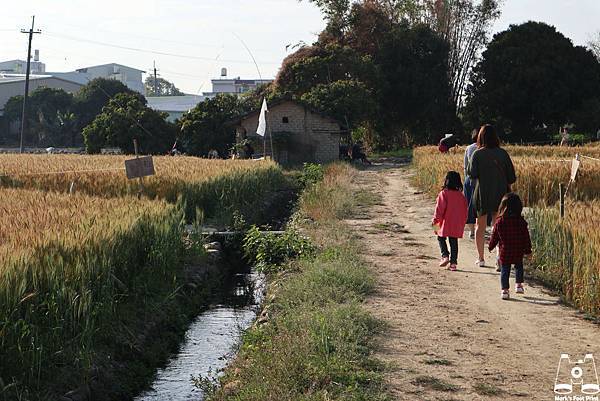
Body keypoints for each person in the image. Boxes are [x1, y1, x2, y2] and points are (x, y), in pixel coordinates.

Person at [467, 124, 516, 268]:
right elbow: (511, 177)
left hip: (482, 193)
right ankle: (499, 259)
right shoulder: (503, 154)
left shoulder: (477, 154)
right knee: (498, 226)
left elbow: (471, 174)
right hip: (500, 194)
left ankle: (481, 258)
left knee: (480, 226)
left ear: (480, 137)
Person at [488, 193, 532, 300]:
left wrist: (491, 246)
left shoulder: (500, 222)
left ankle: (505, 291)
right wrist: (528, 250)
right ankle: (519, 285)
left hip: (505, 250)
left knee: (505, 270)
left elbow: (495, 237)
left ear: (503, 207)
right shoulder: (521, 222)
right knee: (519, 267)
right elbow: (526, 237)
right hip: (518, 249)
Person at [432, 171, 468, 271]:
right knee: (454, 242)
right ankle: (453, 264)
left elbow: (438, 211)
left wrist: (435, 226)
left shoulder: (443, 194)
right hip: (457, 223)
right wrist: (462, 223)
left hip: (445, 223)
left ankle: (445, 256)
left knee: (440, 238)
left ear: (446, 181)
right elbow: (465, 211)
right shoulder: (461, 196)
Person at [463, 129, 479, 239]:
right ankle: (480, 228)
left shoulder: (469, 148)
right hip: (481, 179)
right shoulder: (483, 148)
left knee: (469, 204)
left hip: (469, 179)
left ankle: (472, 231)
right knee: (479, 205)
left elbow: (465, 166)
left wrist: (466, 179)